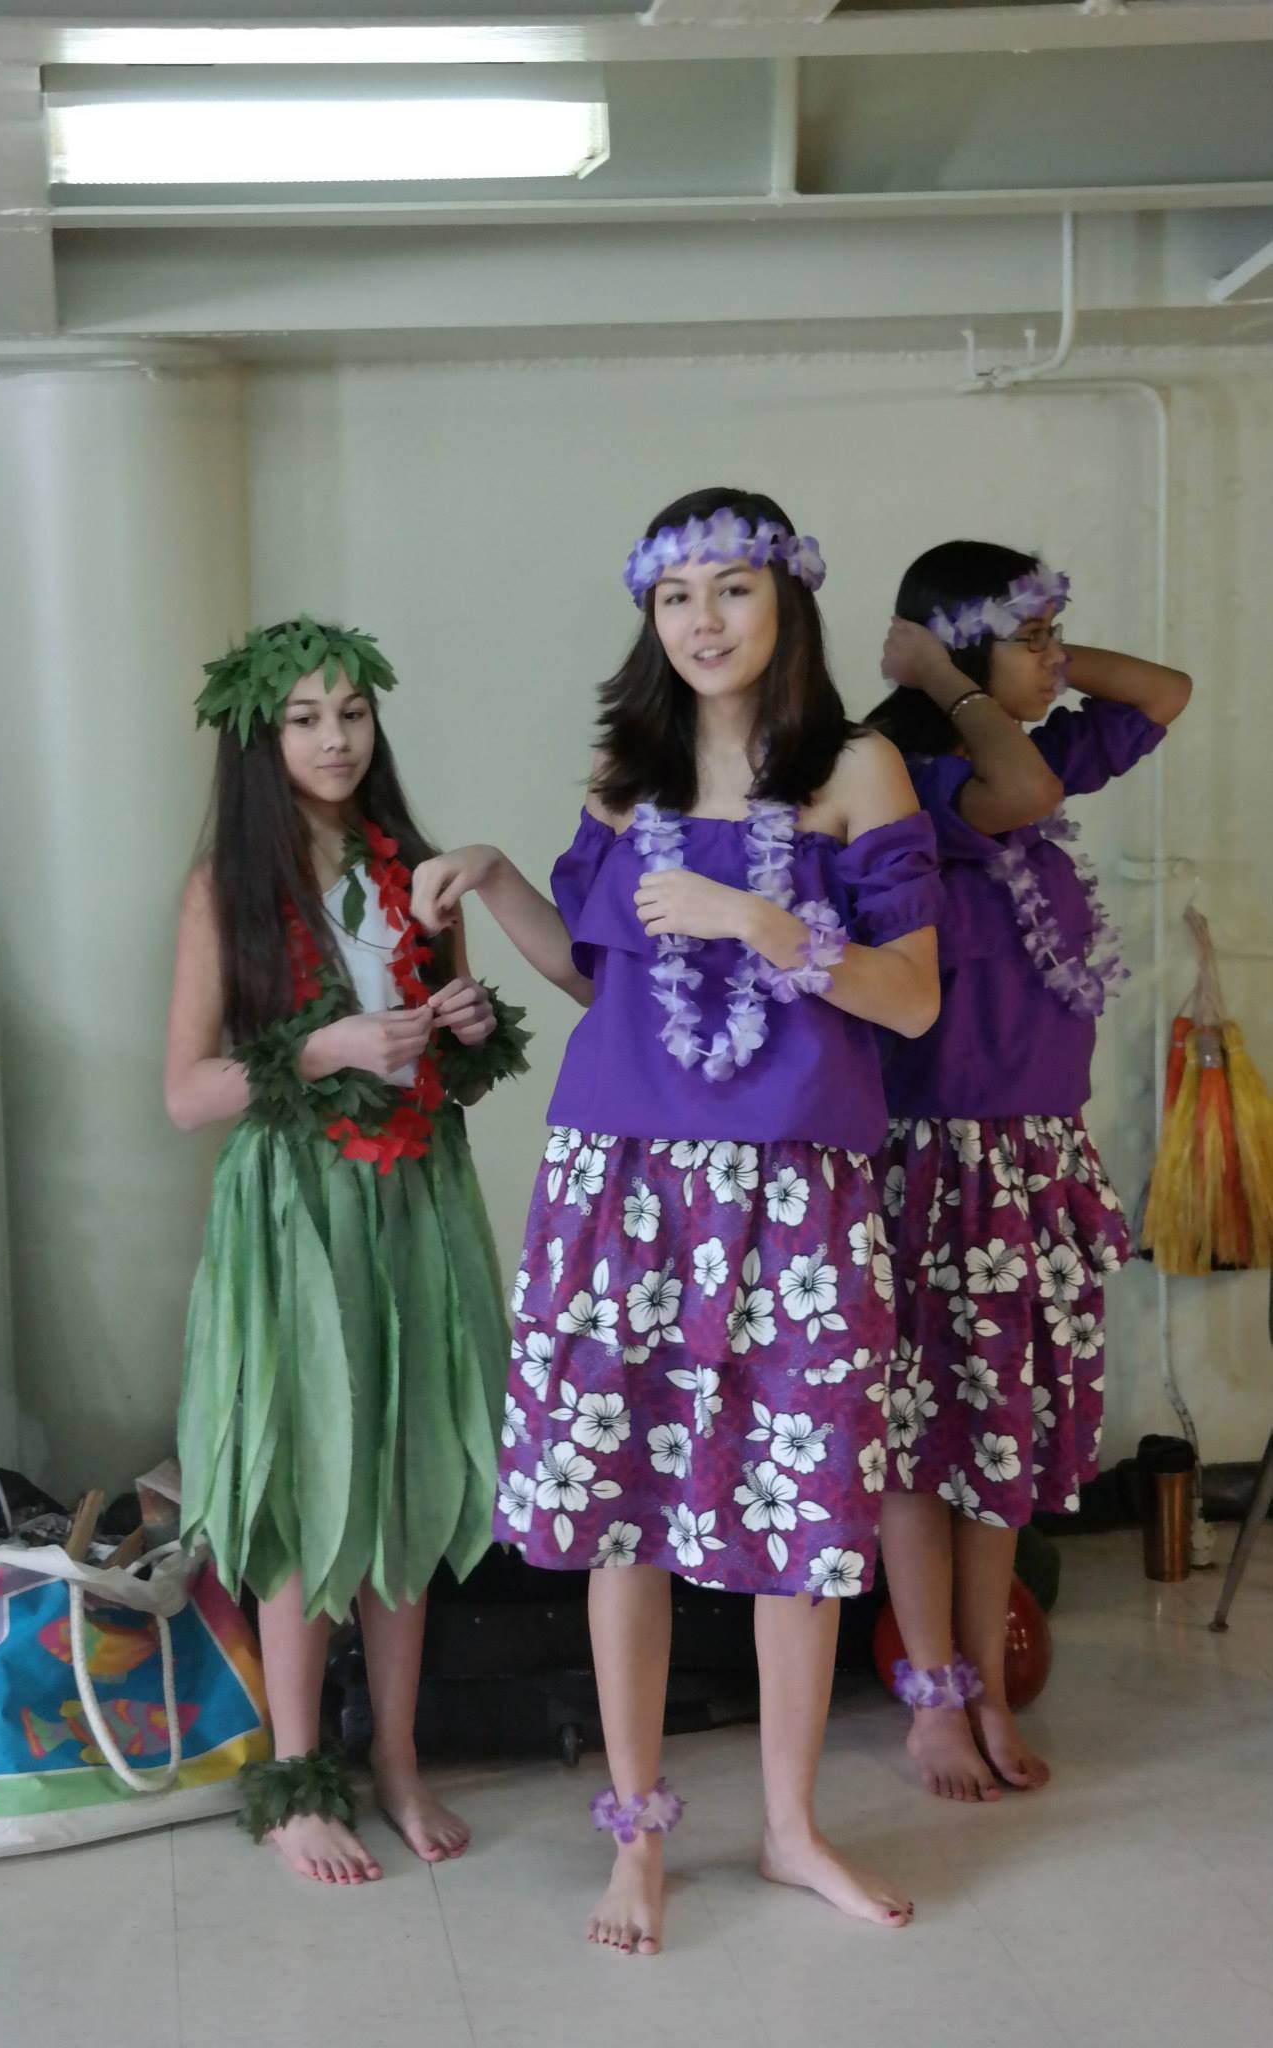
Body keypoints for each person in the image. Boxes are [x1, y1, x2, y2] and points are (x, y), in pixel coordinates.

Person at [412, 489, 943, 1954]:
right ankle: (636, 1836)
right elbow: (600, 975)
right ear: (650, 619)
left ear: (785, 605)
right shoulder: (623, 776)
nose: (702, 622)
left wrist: (769, 927)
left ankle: (787, 1830)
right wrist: (504, 879)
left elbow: (911, 996)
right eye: (675, 599)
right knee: (621, 1513)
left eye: (731, 591)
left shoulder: (860, 772)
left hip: (795, 1183)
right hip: (626, 1178)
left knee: (797, 1504)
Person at [166, 618, 527, 1882]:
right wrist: (318, 1050)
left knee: (407, 1464)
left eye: (352, 715)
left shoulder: (418, 870)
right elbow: (186, 1092)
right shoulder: (227, 886)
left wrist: (468, 1025)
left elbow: (458, 1066)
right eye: (306, 718)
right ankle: (297, 1773)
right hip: (295, 1212)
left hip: (418, 1198)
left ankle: (398, 1759)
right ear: (263, 740)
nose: (333, 738)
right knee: (315, 1471)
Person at [867, 541, 1191, 1801]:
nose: (1059, 659)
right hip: (929, 1160)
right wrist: (957, 684)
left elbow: (1160, 692)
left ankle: (988, 1686)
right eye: (1037, 636)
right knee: (918, 1445)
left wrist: (1028, 654)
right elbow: (1010, 788)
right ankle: (932, 1701)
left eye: (1061, 633)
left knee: (998, 1441)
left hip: (1031, 1159)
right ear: (951, 653)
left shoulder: (1027, 747)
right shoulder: (913, 774)